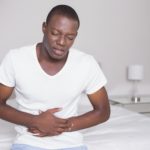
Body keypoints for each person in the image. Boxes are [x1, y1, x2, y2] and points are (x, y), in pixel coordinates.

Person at [0, 4, 110, 150]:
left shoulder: (86, 63)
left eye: (69, 37)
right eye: (55, 33)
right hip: (28, 143)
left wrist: (62, 126)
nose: (62, 42)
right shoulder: (16, 58)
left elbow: (103, 111)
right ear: (44, 27)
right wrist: (35, 121)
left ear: (75, 36)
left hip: (72, 144)